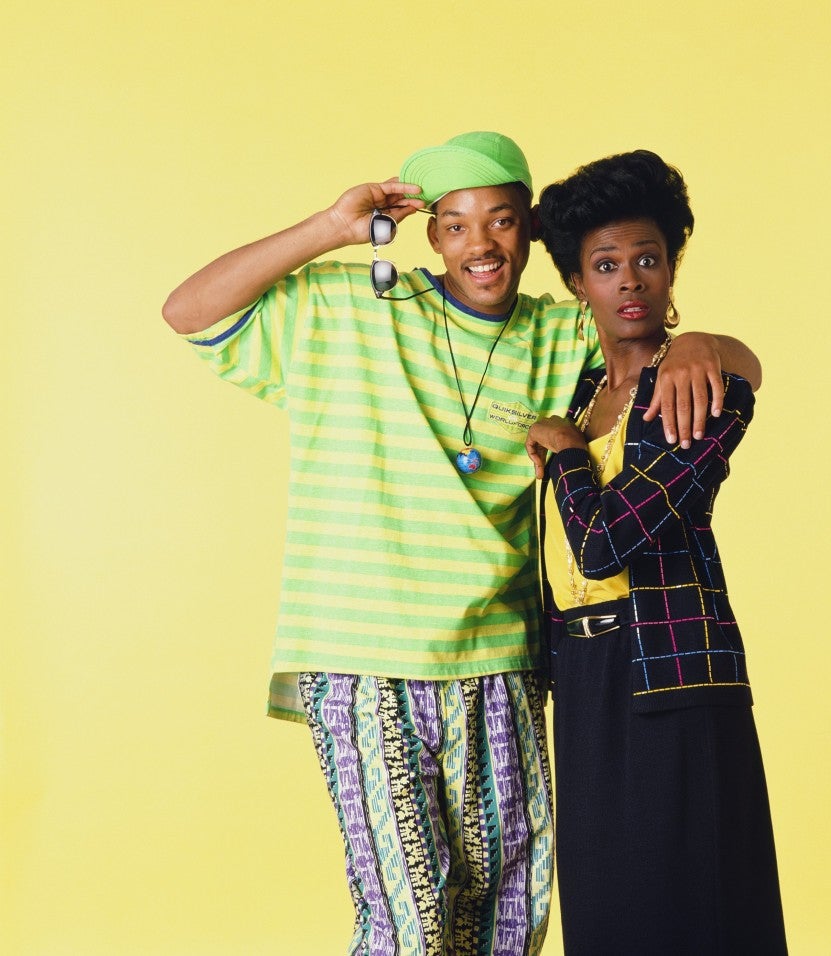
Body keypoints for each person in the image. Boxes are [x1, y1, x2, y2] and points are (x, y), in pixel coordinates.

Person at [162, 131, 762, 956]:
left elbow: (659, 340)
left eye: (502, 221)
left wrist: (704, 344)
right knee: (409, 919)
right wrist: (331, 227)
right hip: (366, 654)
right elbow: (189, 312)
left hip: (504, 660)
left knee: (505, 916)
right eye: (455, 224)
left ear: (531, 232)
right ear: (431, 234)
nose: (480, 244)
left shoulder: (562, 333)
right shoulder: (345, 308)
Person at [526, 149, 787, 954]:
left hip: (672, 671)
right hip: (583, 677)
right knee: (606, 911)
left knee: (697, 904)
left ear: (672, 267)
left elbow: (605, 543)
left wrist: (567, 456)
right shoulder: (580, 395)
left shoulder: (702, 390)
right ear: (578, 283)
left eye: (648, 259)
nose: (630, 281)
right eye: (606, 265)